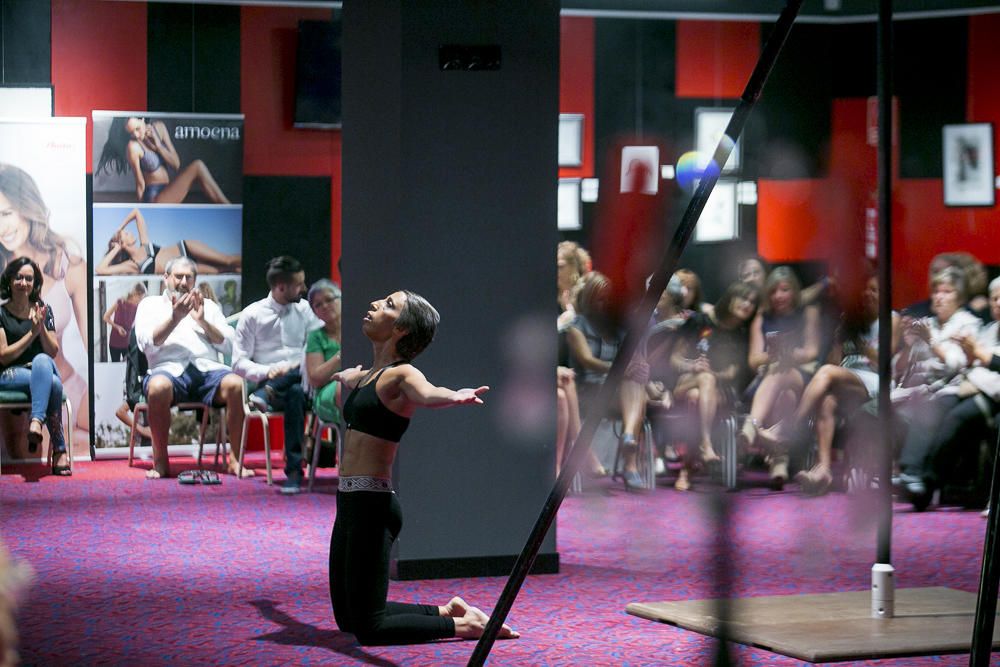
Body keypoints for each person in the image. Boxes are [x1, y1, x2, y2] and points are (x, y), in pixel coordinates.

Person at [328, 289, 518, 645]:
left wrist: (455, 396)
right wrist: (346, 377)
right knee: (347, 619)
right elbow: (357, 379)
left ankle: (466, 627)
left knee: (369, 629)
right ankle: (446, 612)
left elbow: (429, 393)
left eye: (387, 305)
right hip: (348, 503)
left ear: (401, 329)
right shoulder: (371, 376)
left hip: (373, 506)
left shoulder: (403, 376)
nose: (373, 305)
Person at [760, 274, 899, 495]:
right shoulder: (853, 320)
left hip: (875, 380)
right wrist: (839, 336)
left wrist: (862, 346)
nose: (868, 294)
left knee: (825, 373)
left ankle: (787, 430)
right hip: (847, 377)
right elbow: (834, 362)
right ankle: (823, 469)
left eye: (875, 290)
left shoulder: (891, 319)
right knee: (826, 400)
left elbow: (884, 360)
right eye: (866, 290)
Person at [133, 257, 249, 479]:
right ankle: (161, 463)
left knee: (235, 384)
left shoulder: (210, 306)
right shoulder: (149, 305)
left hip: (207, 371)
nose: (183, 281)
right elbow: (146, 343)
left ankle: (235, 460)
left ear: (195, 280)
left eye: (189, 277)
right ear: (166, 278)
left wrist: (203, 321)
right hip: (167, 371)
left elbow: (230, 344)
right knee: (157, 388)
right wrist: (175, 318)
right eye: (178, 276)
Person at [0, 163, 88, 448]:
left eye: (6, 213)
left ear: (26, 206)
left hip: (68, 386)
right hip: (15, 387)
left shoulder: (67, 265)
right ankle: (44, 427)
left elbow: (90, 348)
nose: (2, 228)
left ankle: (44, 426)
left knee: (44, 365)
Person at [893, 266, 981, 510]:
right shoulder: (928, 323)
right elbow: (904, 369)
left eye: (947, 291)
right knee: (890, 410)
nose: (939, 296)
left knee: (928, 409)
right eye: (936, 291)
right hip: (923, 389)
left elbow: (956, 364)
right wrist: (910, 344)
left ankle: (911, 474)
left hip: (954, 389)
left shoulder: (968, 324)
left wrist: (930, 342)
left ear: (960, 297)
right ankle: (914, 484)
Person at [233, 256, 319, 494]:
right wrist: (269, 371)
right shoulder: (253, 315)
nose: (304, 288)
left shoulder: (305, 310)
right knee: (293, 393)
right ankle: (293, 472)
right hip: (273, 380)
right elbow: (238, 363)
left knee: (297, 381)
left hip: (304, 379)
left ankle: (266, 394)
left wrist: (296, 365)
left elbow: (316, 348)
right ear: (281, 286)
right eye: (299, 284)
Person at [669, 281, 757, 490]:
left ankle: (687, 469)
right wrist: (692, 365)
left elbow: (733, 372)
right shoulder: (699, 321)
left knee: (697, 396)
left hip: (719, 390)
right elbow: (674, 359)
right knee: (700, 384)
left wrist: (712, 374)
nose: (747, 305)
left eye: (752, 302)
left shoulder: (741, 334)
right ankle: (706, 445)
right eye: (743, 298)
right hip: (686, 382)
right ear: (730, 297)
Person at [740, 266, 821, 489]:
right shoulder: (761, 318)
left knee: (784, 371)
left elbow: (812, 350)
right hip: (767, 380)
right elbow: (753, 360)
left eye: (784, 290)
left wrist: (789, 354)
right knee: (784, 392)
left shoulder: (808, 313)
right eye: (774, 291)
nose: (778, 295)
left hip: (801, 375)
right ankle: (780, 461)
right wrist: (772, 355)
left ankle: (751, 426)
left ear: (794, 291)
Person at [0, 257, 69, 475]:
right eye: (18, 277)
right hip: (9, 374)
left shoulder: (42, 310)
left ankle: (36, 421)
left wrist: (40, 328)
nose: (23, 283)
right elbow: (3, 356)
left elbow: (52, 351)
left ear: (35, 283)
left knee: (42, 360)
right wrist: (32, 334)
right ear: (10, 281)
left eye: (28, 279)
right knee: (54, 385)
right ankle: (59, 451)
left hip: (39, 369)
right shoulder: (1, 313)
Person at [96, 116, 230, 204]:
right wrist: (144, 211)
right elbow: (140, 182)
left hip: (168, 190)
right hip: (154, 198)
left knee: (198, 166)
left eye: (137, 128)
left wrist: (158, 146)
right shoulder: (133, 147)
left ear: (142, 119)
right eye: (131, 132)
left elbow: (176, 164)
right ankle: (228, 207)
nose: (136, 135)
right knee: (198, 166)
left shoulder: (159, 128)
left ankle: (226, 207)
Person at [96, 208, 240, 276]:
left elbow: (136, 212)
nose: (130, 231)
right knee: (223, 270)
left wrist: (120, 228)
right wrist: (116, 249)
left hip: (186, 248)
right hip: (185, 267)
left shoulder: (144, 245)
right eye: (126, 233)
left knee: (227, 260)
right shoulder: (132, 265)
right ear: (122, 243)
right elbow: (100, 270)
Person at [305, 279, 342, 426]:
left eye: (329, 299)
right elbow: (315, 379)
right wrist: (340, 357)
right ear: (315, 312)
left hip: (359, 382)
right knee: (344, 387)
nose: (325, 306)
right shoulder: (315, 336)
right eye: (318, 305)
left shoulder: (358, 327)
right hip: (327, 392)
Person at [103, 282, 145, 362]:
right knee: (115, 366)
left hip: (127, 343)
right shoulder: (120, 302)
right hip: (114, 341)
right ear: (135, 294)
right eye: (140, 298)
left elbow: (135, 325)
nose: (140, 300)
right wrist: (117, 327)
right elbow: (105, 317)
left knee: (127, 367)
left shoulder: (137, 307)